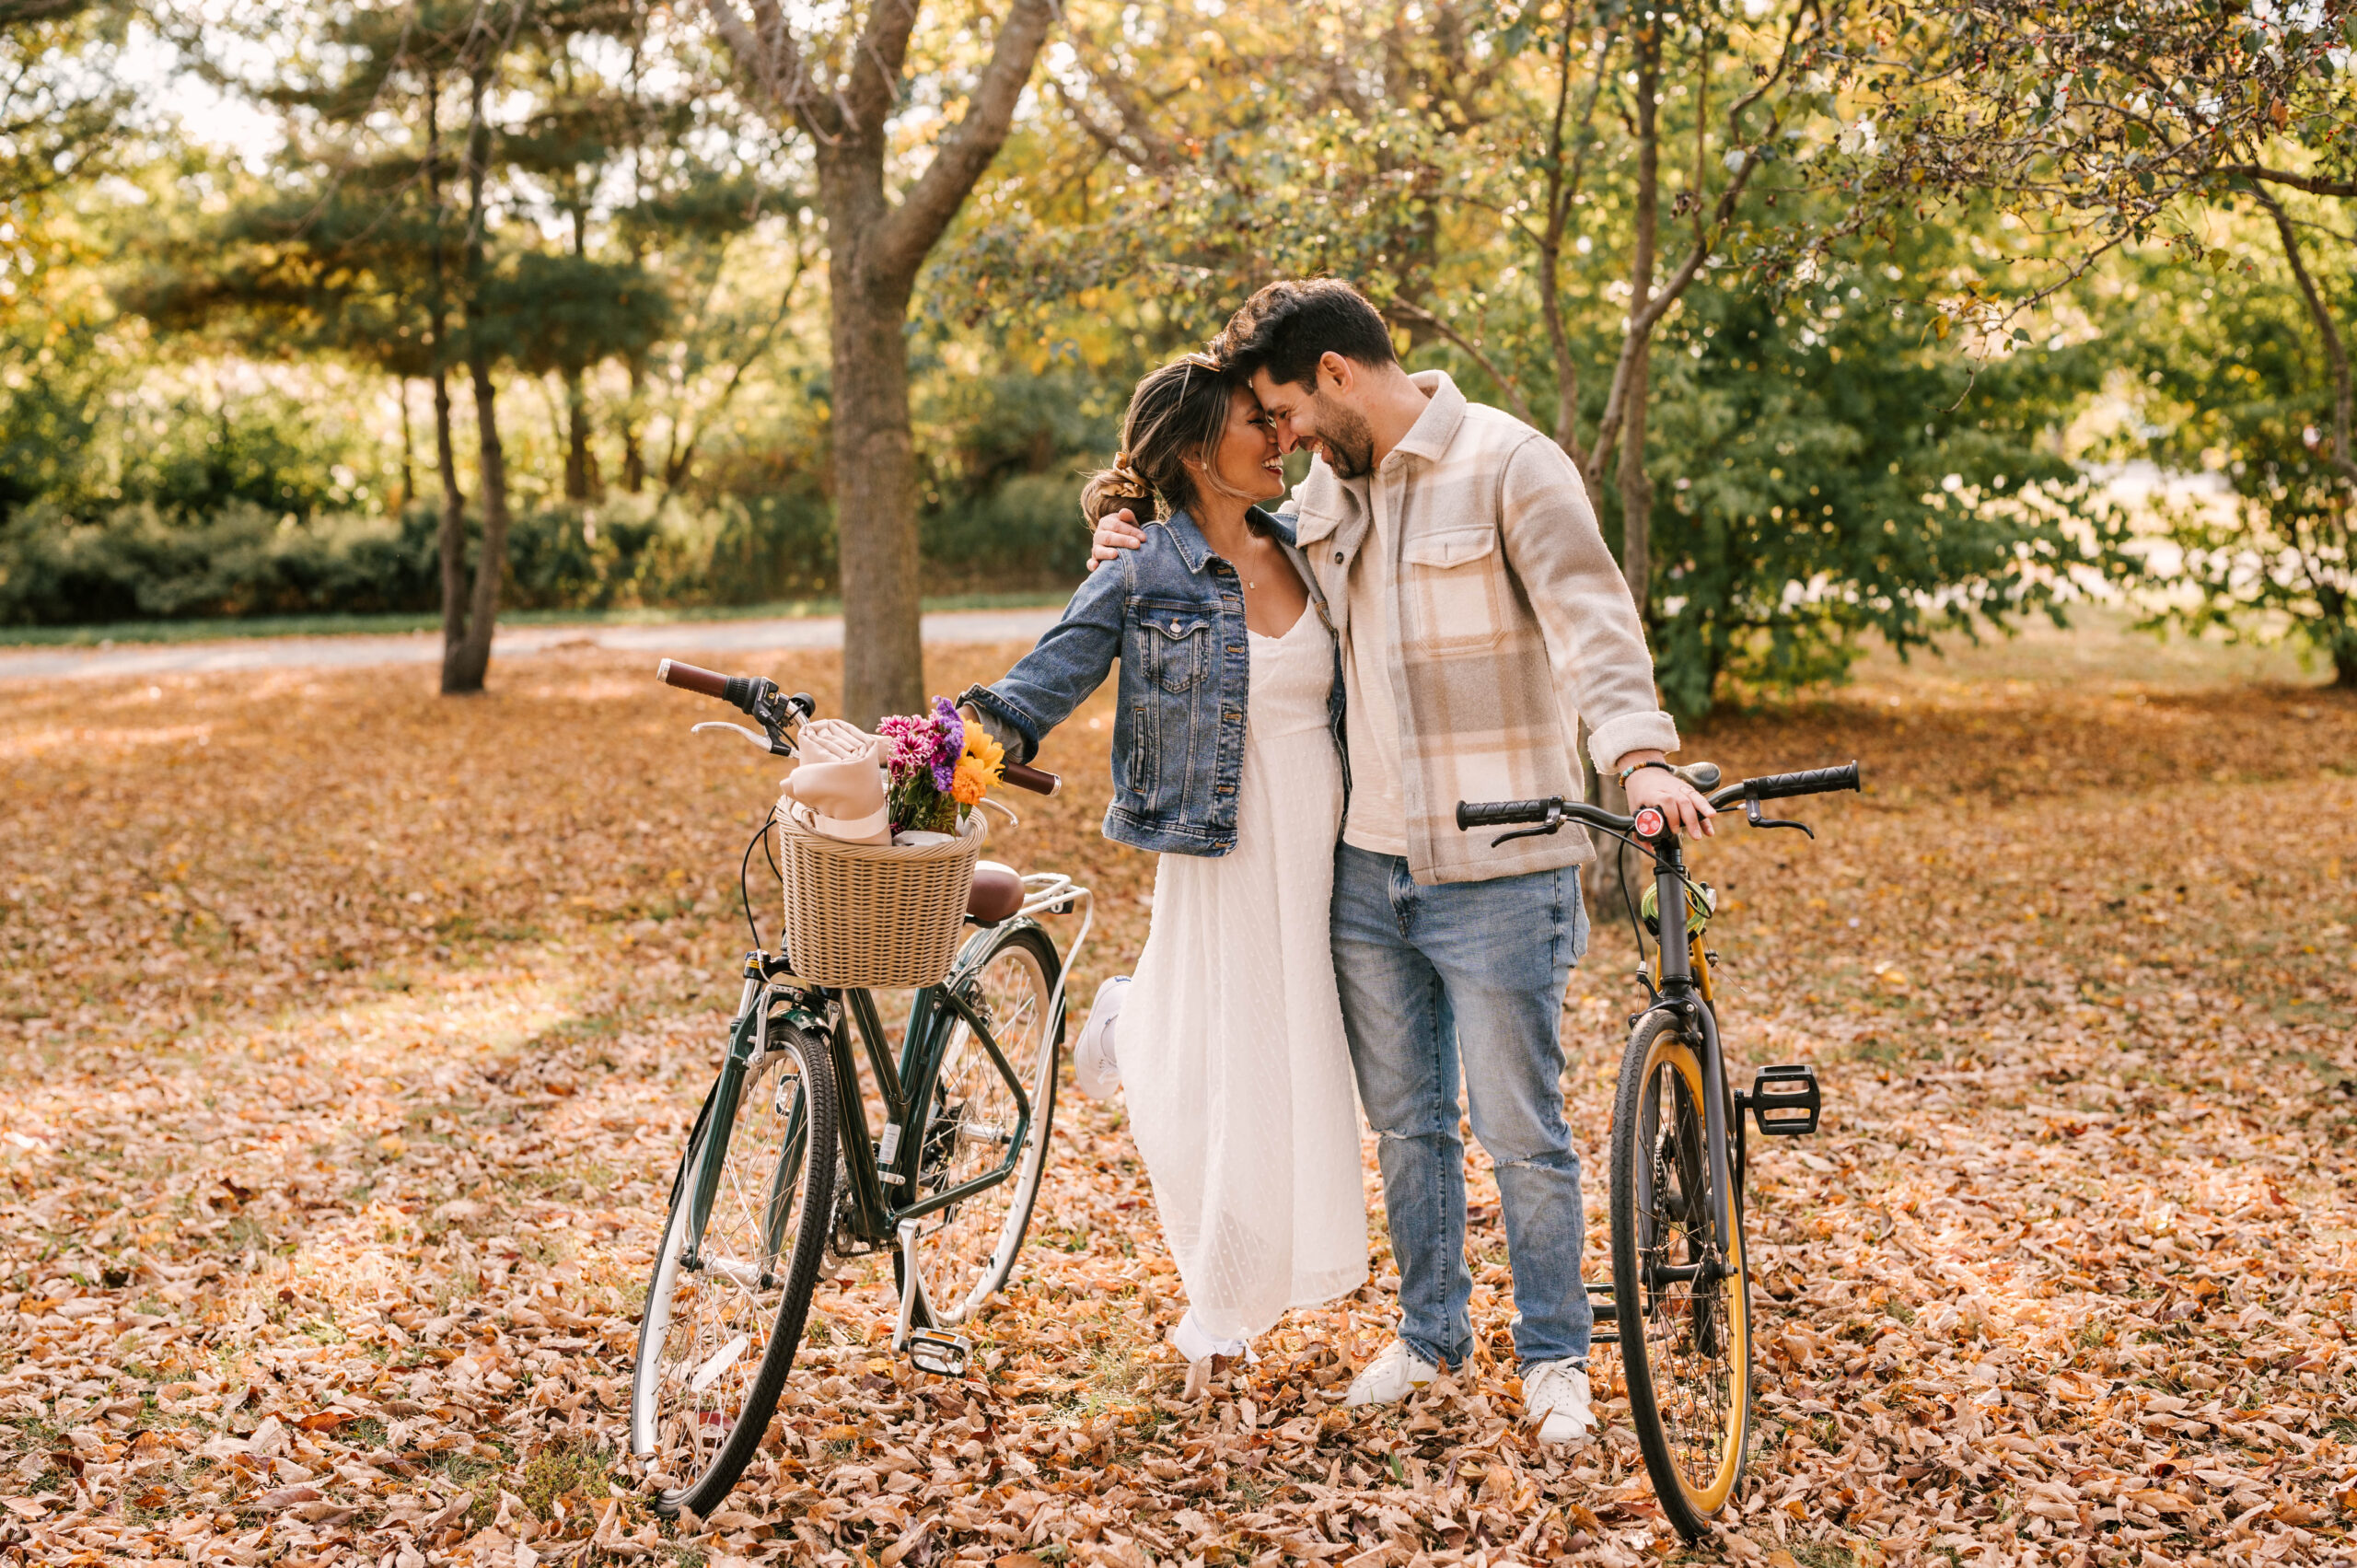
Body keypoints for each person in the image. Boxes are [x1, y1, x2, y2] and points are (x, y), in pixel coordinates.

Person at [1087, 279, 1713, 1446]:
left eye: (1284, 410)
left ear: (1332, 374)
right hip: (1363, 872)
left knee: (1519, 1126)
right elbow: (1220, 565)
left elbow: (1593, 622)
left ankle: (1554, 1355)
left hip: (1499, 867)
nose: (1282, 438)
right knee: (1409, 1124)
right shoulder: (1324, 499)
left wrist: (1638, 760)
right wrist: (1125, 537)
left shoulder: (1511, 464)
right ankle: (1431, 1334)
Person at [957, 354, 1368, 1400]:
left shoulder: (1308, 539)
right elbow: (1042, 679)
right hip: (1221, 843)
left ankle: (1132, 1022)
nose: (1280, 438)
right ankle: (1219, 1314)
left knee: (1289, 1060)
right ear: (1193, 449)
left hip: (1324, 841)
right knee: (1225, 1073)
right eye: (1252, 423)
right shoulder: (1142, 565)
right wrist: (941, 751)